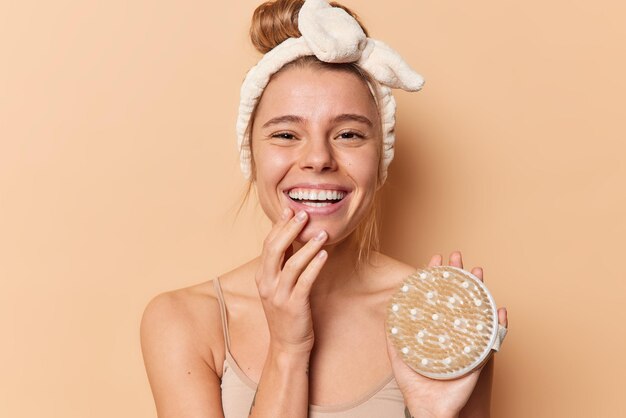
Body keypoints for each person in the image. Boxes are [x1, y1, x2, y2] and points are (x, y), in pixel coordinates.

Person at [140, 0, 509, 417]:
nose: (318, 158)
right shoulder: (184, 320)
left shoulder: (438, 316)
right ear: (252, 156)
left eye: (349, 134)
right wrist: (288, 349)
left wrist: (432, 414)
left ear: (381, 159)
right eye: (285, 134)